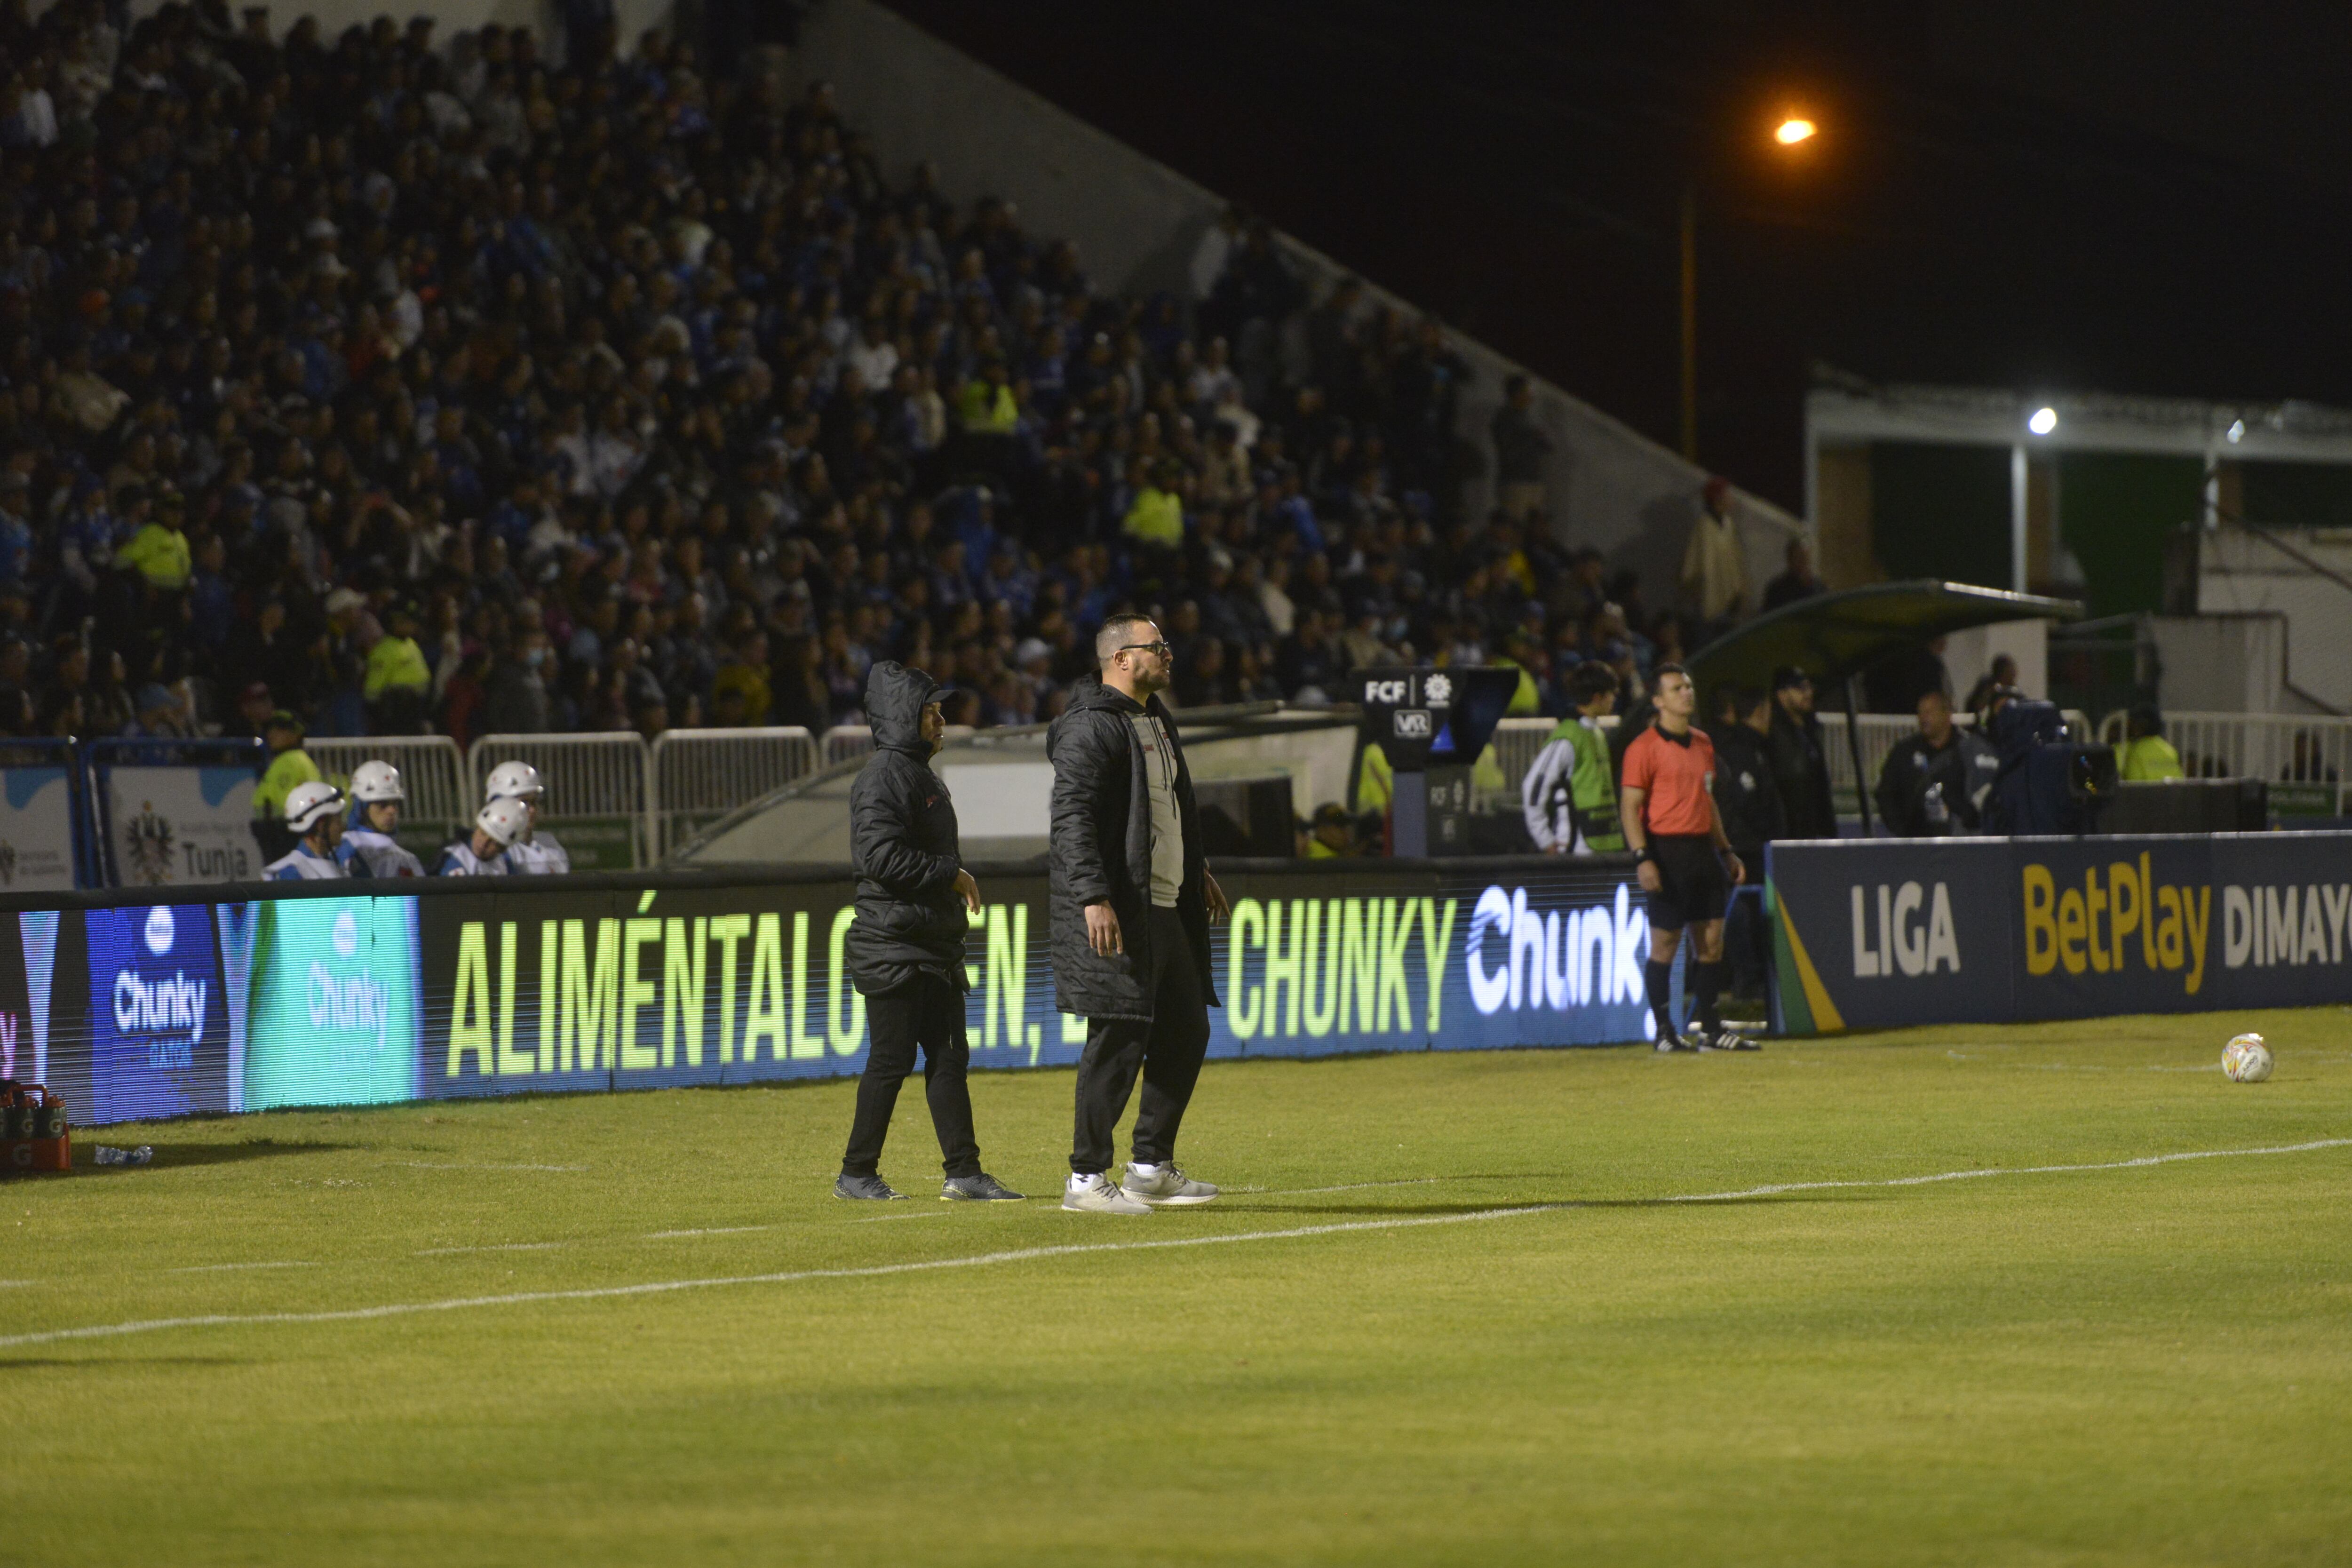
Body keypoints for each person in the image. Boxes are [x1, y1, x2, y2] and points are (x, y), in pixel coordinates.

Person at [1049, 613, 1231, 1215]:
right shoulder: (1089, 728)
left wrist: (1195, 869)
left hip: (1165, 900)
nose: (1169, 655)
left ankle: (1150, 1165)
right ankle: (1084, 1177)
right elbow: (1070, 817)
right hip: (1124, 905)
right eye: (1158, 647)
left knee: (1186, 1030)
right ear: (1121, 659)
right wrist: (1093, 896)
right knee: (1120, 1033)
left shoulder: (1154, 718)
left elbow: (1171, 810)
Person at [836, 661, 1024, 1202]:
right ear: (903, 718)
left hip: (928, 944)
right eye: (931, 711)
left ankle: (963, 1173)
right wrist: (950, 874)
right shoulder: (882, 778)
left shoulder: (918, 775)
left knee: (947, 1059)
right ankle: (855, 1174)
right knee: (891, 1060)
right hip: (893, 945)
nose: (942, 719)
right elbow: (879, 858)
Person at [1618, 665, 1753, 1052]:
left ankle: (1711, 1029)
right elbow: (1630, 807)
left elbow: (1706, 802)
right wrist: (1643, 857)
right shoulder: (1642, 748)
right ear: (1658, 701)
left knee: (1711, 942)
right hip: (1666, 849)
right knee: (1666, 943)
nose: (1687, 693)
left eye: (1689, 686)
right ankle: (1664, 1031)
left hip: (1700, 850)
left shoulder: (1703, 744)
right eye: (1677, 688)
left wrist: (1725, 850)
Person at [1708, 686, 1783, 1002]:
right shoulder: (1739, 750)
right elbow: (1746, 802)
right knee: (1743, 914)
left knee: (1751, 914)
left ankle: (1753, 980)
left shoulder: (1753, 748)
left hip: (1750, 846)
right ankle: (1746, 981)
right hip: (1745, 848)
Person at [1522, 662, 1625, 854]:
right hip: (1577, 850)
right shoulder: (1568, 738)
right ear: (1597, 697)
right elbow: (1534, 787)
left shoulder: (1595, 733)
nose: (1615, 699)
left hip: (1604, 846)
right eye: (1612, 693)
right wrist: (1545, 840)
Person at [1875, 690, 1998, 836]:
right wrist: (1902, 831)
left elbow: (1983, 797)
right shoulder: (1904, 751)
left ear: (1947, 714)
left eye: (1929, 712)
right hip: (1916, 846)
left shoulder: (1970, 750)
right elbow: (1885, 794)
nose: (1923, 718)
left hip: (1960, 844)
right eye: (1921, 713)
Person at [1765, 667, 1839, 839]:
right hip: (1789, 831)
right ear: (1781, 694)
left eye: (1809, 688)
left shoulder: (1811, 729)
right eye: (1800, 689)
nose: (1808, 693)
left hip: (1814, 830)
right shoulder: (1773, 733)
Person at [1678, 477, 1747, 642]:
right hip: (1708, 608)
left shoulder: (1727, 524)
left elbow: (1735, 562)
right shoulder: (1705, 527)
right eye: (1727, 495)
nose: (1731, 499)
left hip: (1730, 604)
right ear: (1718, 499)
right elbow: (1693, 569)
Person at [251, 709, 322, 865]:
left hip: (282, 835)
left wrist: (275, 829)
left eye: (281, 730)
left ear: (296, 734)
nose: (272, 734)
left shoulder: (290, 761)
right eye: (271, 730)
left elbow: (287, 803)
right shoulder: (295, 760)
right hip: (280, 834)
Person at [339, 760, 427, 877]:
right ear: (362, 808)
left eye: (394, 804)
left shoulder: (407, 859)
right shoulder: (345, 849)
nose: (392, 811)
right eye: (382, 804)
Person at [484, 760, 571, 874]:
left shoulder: (549, 843)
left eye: (534, 802)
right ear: (499, 803)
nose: (532, 810)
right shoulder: (494, 849)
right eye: (524, 802)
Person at [1490, 374, 1550, 521]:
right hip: (1515, 482)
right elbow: (1508, 450)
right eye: (1527, 391)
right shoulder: (1505, 417)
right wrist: (1531, 439)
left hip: (1532, 480)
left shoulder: (1525, 417)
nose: (1531, 395)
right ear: (1517, 393)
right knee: (1515, 526)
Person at [264, 781, 354, 880]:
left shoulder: (333, 862)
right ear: (321, 825)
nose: (342, 827)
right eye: (337, 821)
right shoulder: (290, 873)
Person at [438, 798, 530, 876]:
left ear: (503, 849)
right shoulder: (454, 858)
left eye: (494, 842)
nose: (484, 843)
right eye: (483, 833)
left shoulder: (505, 863)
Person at [2120, 705, 2185, 781]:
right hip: (2171, 792)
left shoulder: (2135, 752)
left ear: (2140, 726)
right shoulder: (2170, 751)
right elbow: (2179, 780)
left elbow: (2133, 784)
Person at [1762, 538, 1823, 613]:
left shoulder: (1818, 587)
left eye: (1805, 558)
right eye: (1799, 558)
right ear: (1790, 560)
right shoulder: (1777, 589)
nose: (1803, 562)